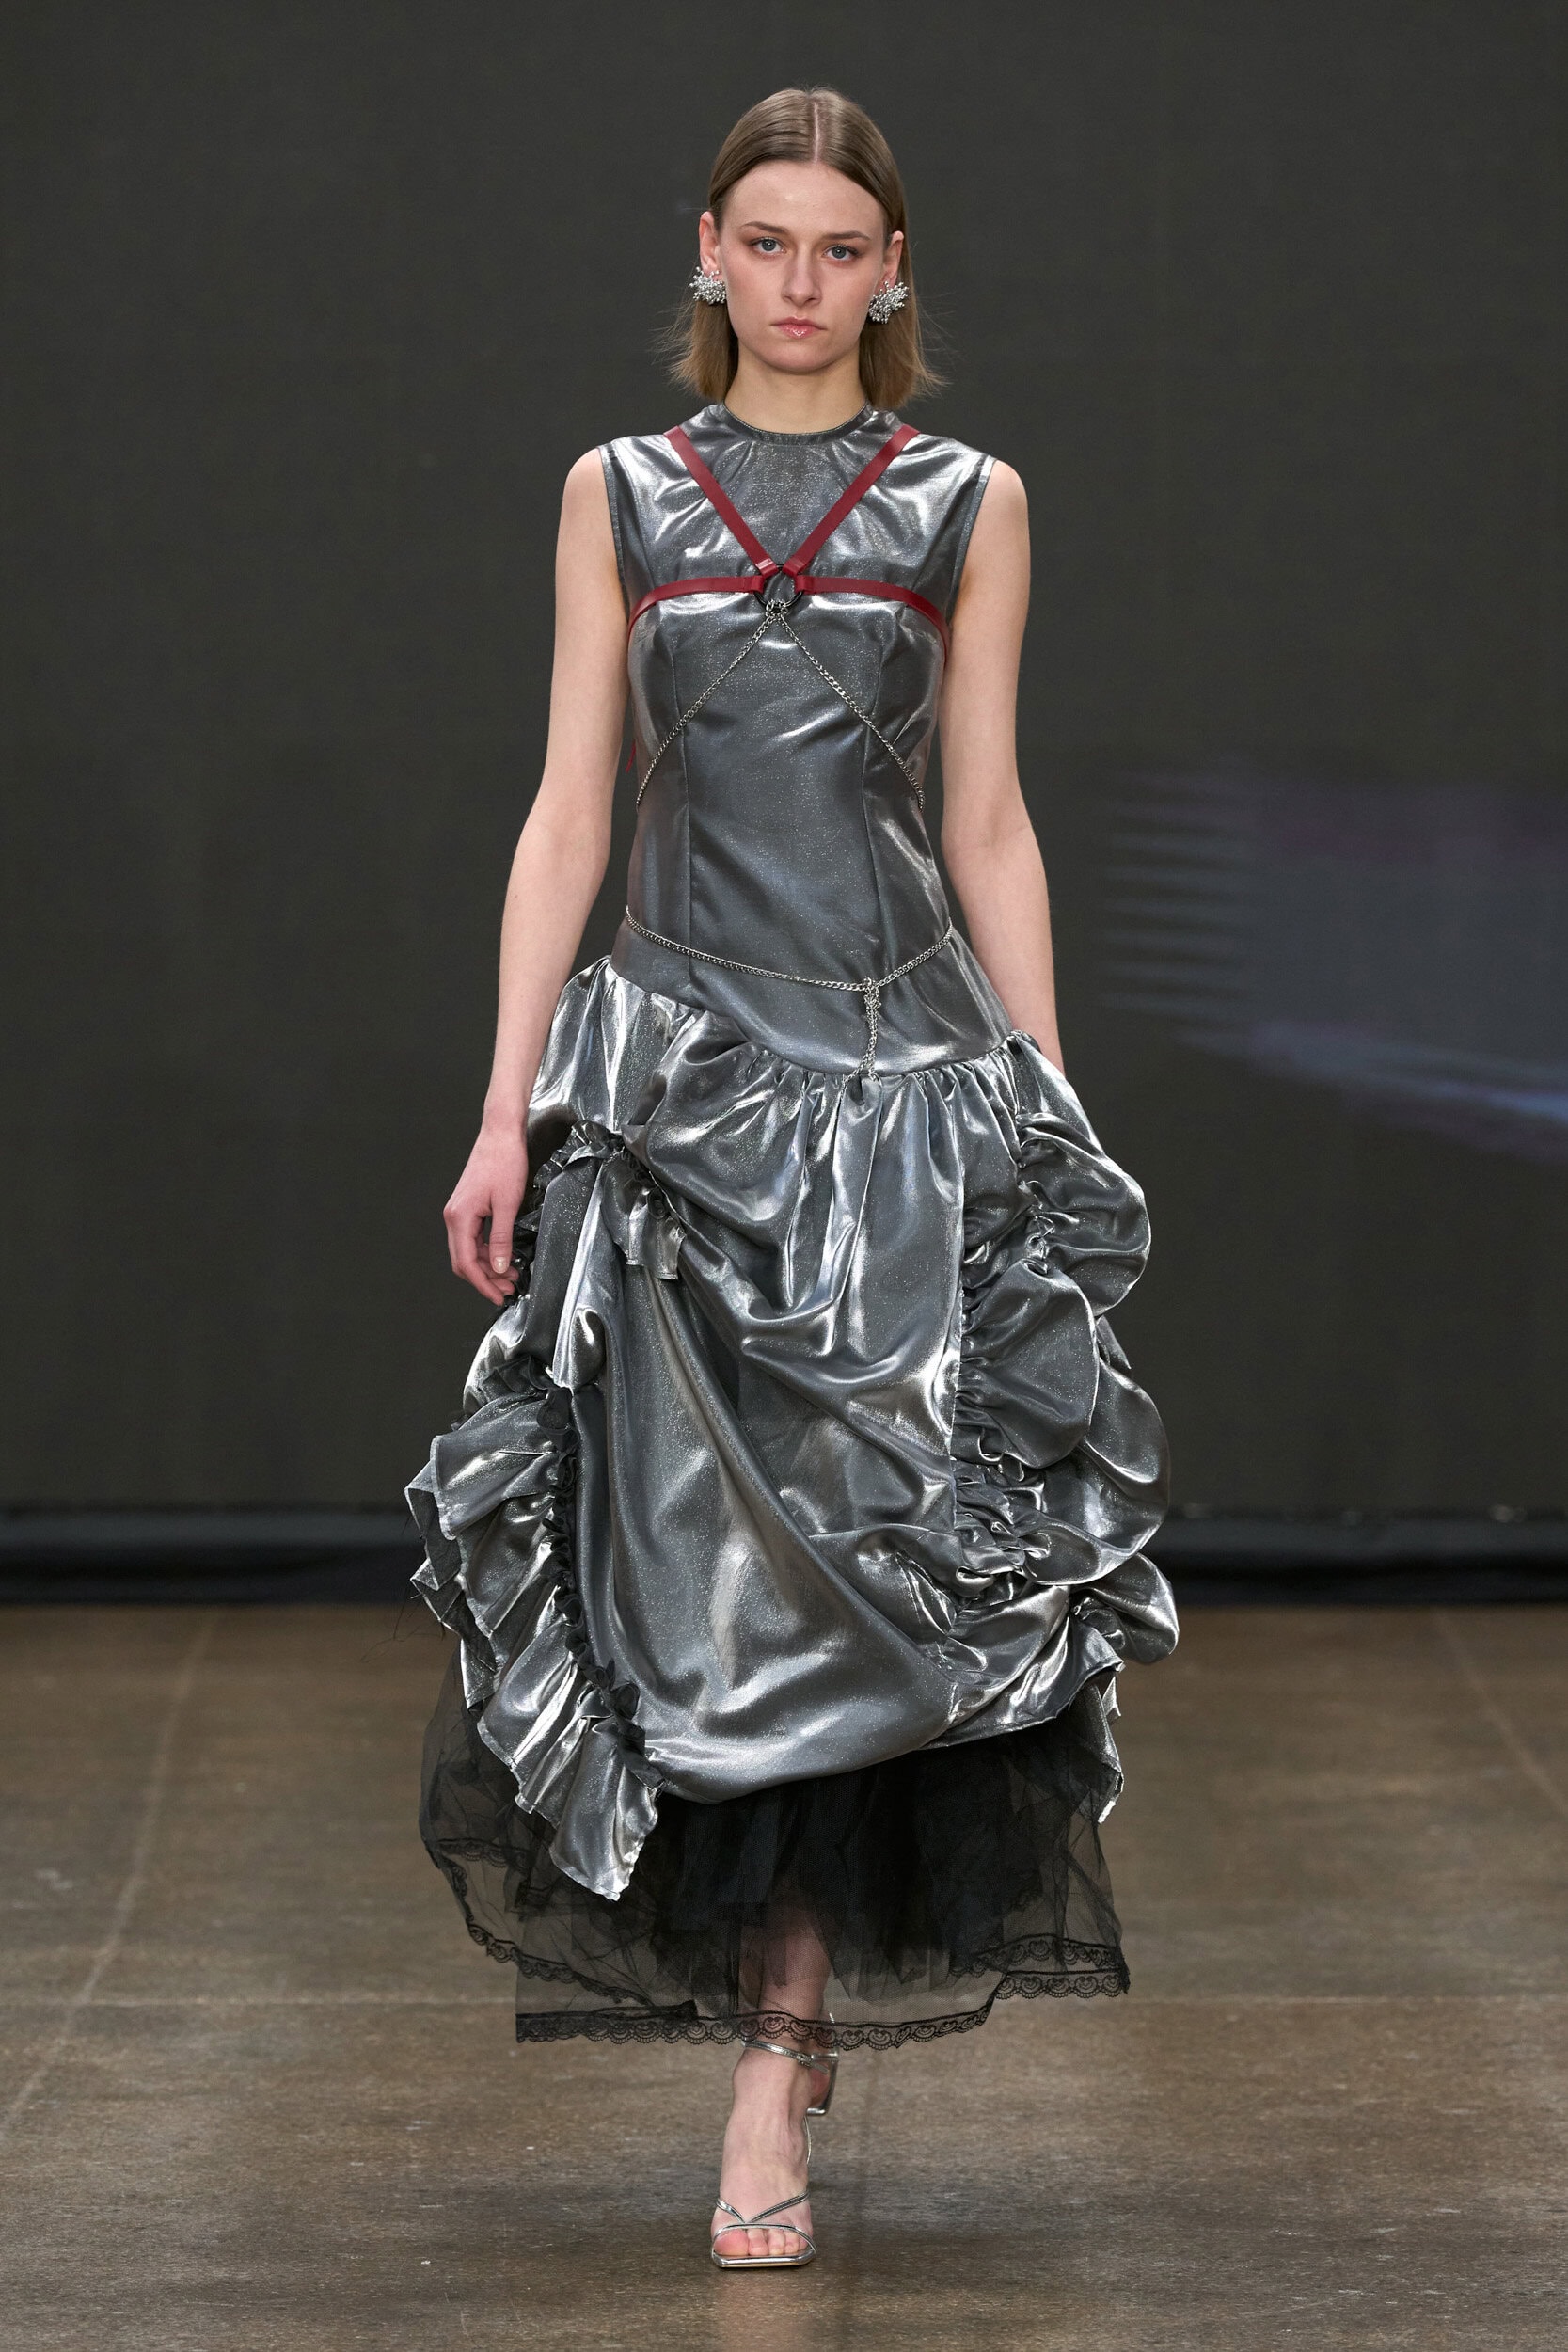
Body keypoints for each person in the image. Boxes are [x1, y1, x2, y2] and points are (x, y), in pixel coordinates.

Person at [408, 86, 1176, 2271]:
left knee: (871, 1588)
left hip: (901, 1107)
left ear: (893, 269)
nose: (803, 281)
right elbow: (570, 808)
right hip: (680, 1102)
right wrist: (506, 1104)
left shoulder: (966, 499)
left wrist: (1046, 1099)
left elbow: (988, 814)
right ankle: (778, 2016)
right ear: (711, 251)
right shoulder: (620, 492)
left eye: (842, 246)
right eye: (768, 241)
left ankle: (776, 2045)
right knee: (693, 1595)